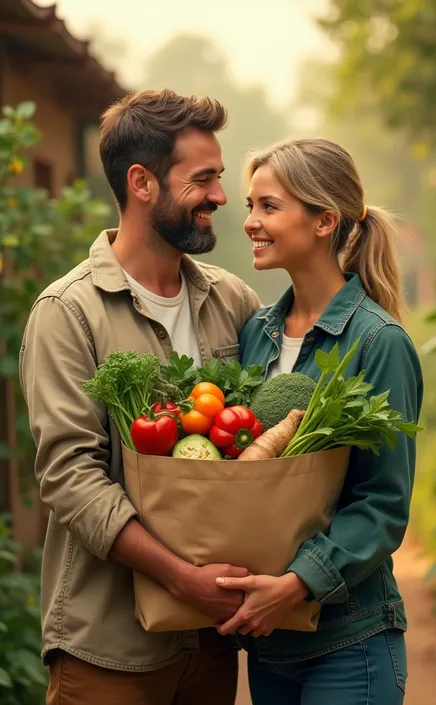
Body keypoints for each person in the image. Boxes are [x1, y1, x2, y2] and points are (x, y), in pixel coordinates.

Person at [19, 89, 261, 705]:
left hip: (211, 643)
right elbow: (70, 476)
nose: (220, 197)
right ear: (142, 182)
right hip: (109, 650)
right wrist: (184, 579)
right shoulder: (67, 312)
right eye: (202, 179)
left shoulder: (232, 301)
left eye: (220, 177)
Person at [214, 138, 423, 705]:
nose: (251, 222)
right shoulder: (256, 335)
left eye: (269, 207)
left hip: (349, 640)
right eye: (250, 206)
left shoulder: (379, 343)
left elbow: (382, 504)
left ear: (325, 220)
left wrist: (296, 583)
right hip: (272, 643)